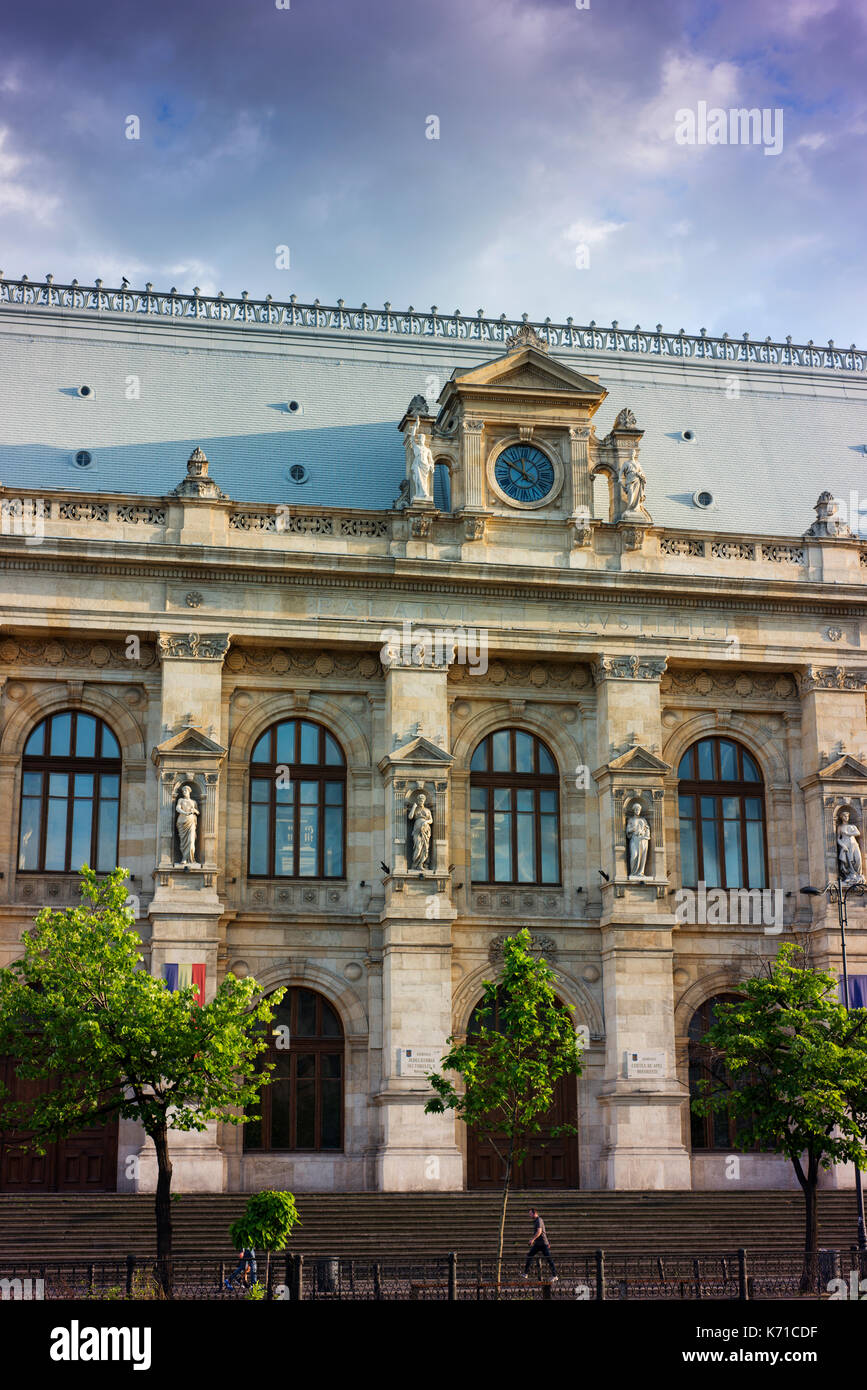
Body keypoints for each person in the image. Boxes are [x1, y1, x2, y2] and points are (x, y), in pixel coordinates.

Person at [522, 1207, 557, 1280]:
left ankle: (555, 1275)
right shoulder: (536, 1221)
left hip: (543, 1244)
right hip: (538, 1244)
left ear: (535, 1213)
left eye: (530, 1214)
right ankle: (525, 1273)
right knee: (529, 1255)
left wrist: (532, 1240)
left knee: (548, 1259)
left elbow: (539, 1232)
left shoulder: (539, 1220)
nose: (530, 1216)